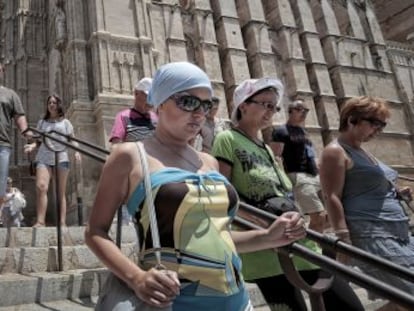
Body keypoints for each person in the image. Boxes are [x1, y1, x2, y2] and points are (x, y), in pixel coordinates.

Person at [85, 61, 306, 311]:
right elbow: (95, 232)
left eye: (206, 104)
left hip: (238, 301)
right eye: (188, 102)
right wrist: (136, 277)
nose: (199, 113)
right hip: (176, 303)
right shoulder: (130, 156)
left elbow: (216, 236)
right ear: (160, 102)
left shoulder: (208, 161)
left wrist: (268, 237)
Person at [211, 78, 364, 311]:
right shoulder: (227, 140)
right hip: (264, 251)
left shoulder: (266, 148)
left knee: (348, 305)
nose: (271, 111)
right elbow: (224, 194)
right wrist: (265, 225)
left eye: (275, 107)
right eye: (265, 104)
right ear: (243, 105)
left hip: (298, 241)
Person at [319, 96, 414, 311]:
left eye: (382, 125)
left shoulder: (362, 150)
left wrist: (397, 194)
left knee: (402, 300)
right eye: (375, 123)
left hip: (398, 233)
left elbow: (366, 188)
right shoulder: (335, 151)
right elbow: (331, 196)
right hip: (373, 234)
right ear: (352, 119)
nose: (378, 130)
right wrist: (344, 240)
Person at [270, 98, 327, 233]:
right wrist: (282, 181)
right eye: (301, 109)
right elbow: (275, 157)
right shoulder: (281, 131)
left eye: (307, 110)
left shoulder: (303, 132)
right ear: (291, 111)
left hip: (314, 176)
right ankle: (313, 249)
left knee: (325, 217)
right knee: (318, 216)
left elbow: (310, 153)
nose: (305, 113)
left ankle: (315, 245)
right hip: (298, 176)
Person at [24, 94, 81, 227]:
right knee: (41, 187)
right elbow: (39, 141)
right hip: (44, 157)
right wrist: (32, 146)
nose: (51, 105)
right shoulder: (42, 123)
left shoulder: (65, 123)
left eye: (54, 102)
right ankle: (40, 221)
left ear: (58, 105)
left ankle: (62, 223)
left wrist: (77, 151)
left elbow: (72, 139)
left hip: (61, 157)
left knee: (60, 192)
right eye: (49, 102)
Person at [0, 63, 32, 209]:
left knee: (1, 186)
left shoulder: (10, 94)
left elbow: (19, 115)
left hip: (3, 145)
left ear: (2, 73)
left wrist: (26, 131)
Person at [109, 77, 157, 144]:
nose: (151, 101)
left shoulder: (156, 118)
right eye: (148, 96)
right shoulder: (123, 116)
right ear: (136, 93)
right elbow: (116, 145)